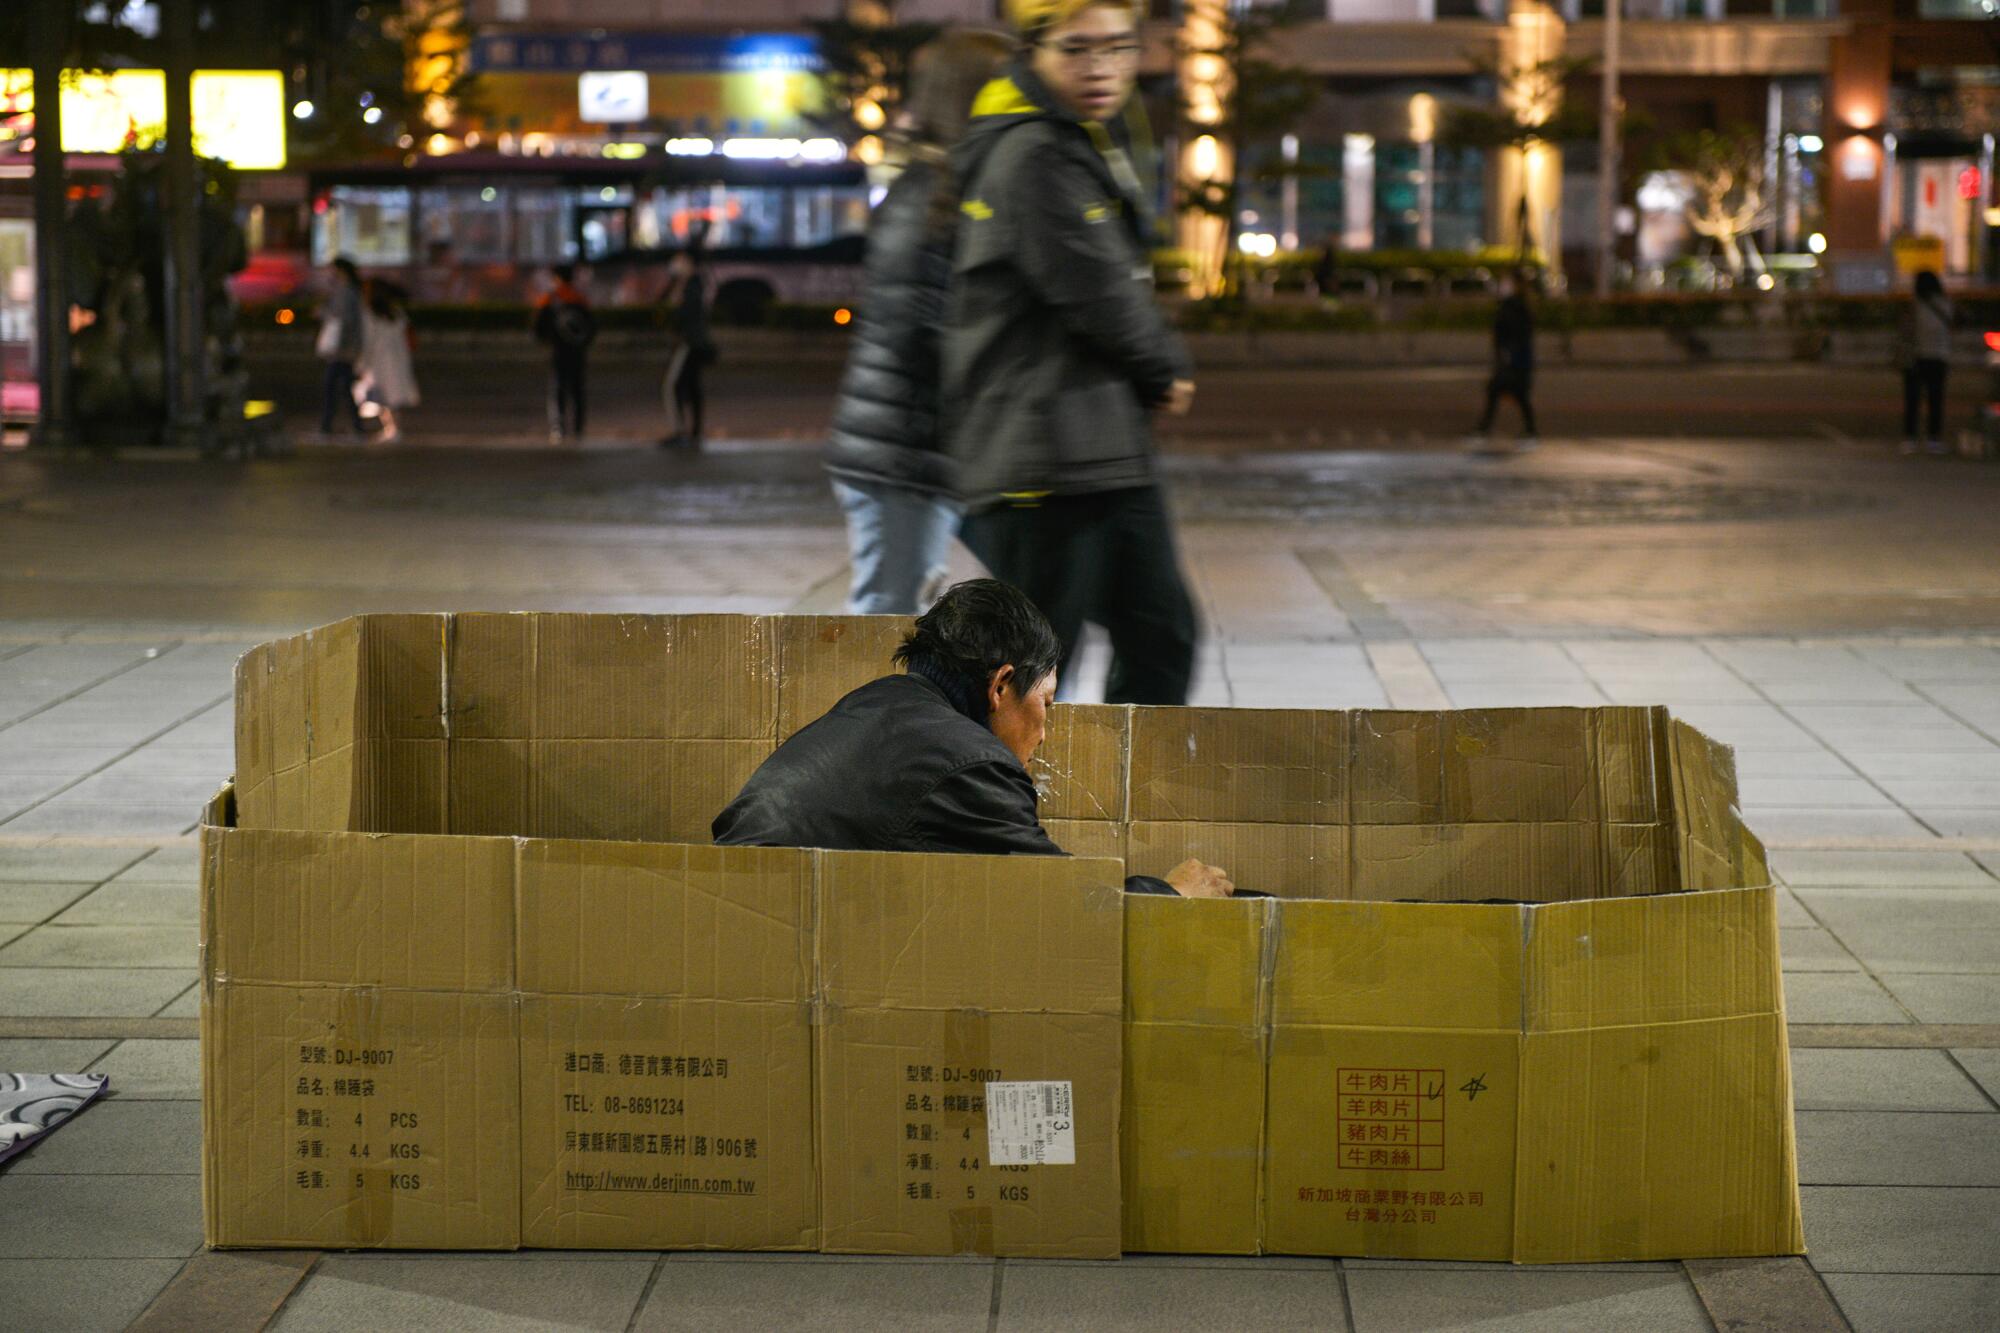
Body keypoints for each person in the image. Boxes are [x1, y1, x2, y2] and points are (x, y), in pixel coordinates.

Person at [943, 0, 1201, 706]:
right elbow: (1095, 288)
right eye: (1078, 49)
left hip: (1099, 450)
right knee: (1034, 672)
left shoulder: (1080, 141)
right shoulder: (1032, 154)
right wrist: (1165, 367)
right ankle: (1000, 810)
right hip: (1041, 457)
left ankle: (1126, 807)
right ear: (1034, 52)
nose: (1102, 68)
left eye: (1118, 49)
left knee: (1163, 636)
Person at [713, 579, 1234, 898]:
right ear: (1001, 685)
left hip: (738, 908)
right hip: (780, 945)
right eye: (1045, 704)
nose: (1045, 733)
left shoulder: (877, 702)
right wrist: (1171, 895)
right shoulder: (970, 764)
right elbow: (1064, 905)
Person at [825, 29, 1013, 614]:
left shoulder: (944, 190)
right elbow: (918, 331)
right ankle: (863, 708)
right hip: (899, 454)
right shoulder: (930, 198)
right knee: (885, 617)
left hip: (924, 449)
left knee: (908, 606)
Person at [660, 222, 716, 448]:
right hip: (694, 342)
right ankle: (693, 432)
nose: (675, 264)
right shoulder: (695, 283)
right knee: (691, 386)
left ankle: (680, 431)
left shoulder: (692, 286)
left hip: (689, 343)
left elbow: (685, 317)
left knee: (673, 386)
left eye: (680, 260)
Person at [1472, 269, 1537, 453]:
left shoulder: (1516, 306)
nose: (1504, 286)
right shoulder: (1512, 305)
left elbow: (1516, 333)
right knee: (1510, 393)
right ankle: (1529, 431)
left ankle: (1486, 429)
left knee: (1504, 391)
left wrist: (1508, 354)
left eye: (1507, 283)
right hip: (1512, 360)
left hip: (1516, 360)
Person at [353, 278, 419, 445]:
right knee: (391, 398)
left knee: (383, 398)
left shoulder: (369, 314)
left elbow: (368, 341)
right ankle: (392, 429)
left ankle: (392, 430)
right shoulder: (395, 312)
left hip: (379, 361)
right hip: (397, 358)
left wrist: (362, 363)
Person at [534, 264, 595, 442]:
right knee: (577, 389)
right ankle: (578, 427)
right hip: (577, 352)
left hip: (558, 351)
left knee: (558, 389)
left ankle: (558, 428)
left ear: (557, 279)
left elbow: (538, 327)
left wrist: (548, 342)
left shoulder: (551, 300)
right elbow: (591, 327)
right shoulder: (579, 299)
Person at [1901, 269, 1953, 455]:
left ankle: (1910, 438)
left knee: (1912, 400)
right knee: (1936, 400)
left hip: (1917, 357)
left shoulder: (1915, 306)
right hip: (1939, 356)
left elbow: (1907, 332)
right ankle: (1934, 438)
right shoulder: (1945, 304)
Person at [316, 256, 365, 438]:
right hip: (345, 349)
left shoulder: (345, 291)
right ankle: (353, 425)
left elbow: (344, 319)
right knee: (343, 387)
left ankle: (328, 425)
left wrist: (323, 313)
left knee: (333, 386)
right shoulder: (348, 290)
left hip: (342, 350)